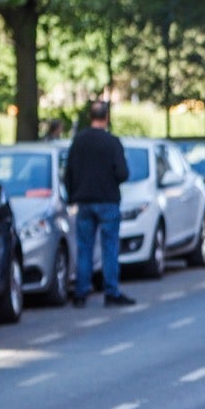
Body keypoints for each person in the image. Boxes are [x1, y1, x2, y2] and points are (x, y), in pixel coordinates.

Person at [65, 100, 134, 308]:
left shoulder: (79, 141)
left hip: (84, 201)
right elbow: (122, 173)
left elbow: (68, 173)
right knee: (109, 247)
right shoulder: (112, 142)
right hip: (108, 201)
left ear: (90, 117)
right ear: (107, 117)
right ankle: (111, 292)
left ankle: (81, 292)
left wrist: (73, 195)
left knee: (84, 247)